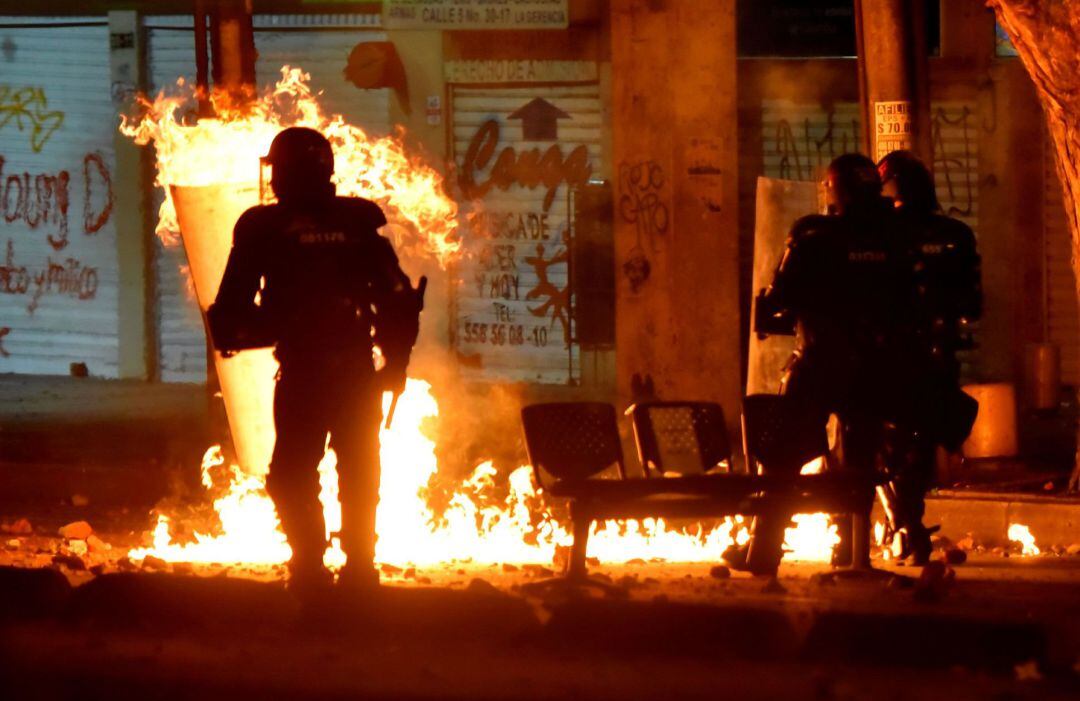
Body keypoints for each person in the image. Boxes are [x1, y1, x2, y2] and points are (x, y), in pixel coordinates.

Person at [208, 127, 422, 596]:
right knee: (360, 470)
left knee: (291, 473)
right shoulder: (358, 222)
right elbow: (397, 298)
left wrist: (251, 329)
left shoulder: (263, 228)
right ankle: (360, 569)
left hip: (304, 373)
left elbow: (232, 305)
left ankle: (308, 566)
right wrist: (396, 364)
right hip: (355, 370)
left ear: (280, 172)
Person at [731, 153, 916, 575]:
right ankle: (852, 554)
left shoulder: (813, 234)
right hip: (873, 367)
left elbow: (780, 297)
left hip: (818, 362)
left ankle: (763, 552)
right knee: (858, 463)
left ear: (835, 189)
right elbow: (909, 299)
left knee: (779, 458)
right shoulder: (896, 237)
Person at [876, 150, 981, 564]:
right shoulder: (957, 234)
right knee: (918, 445)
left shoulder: (882, 233)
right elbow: (973, 304)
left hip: (892, 358)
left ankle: (905, 526)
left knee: (882, 444)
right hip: (939, 357)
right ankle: (907, 524)